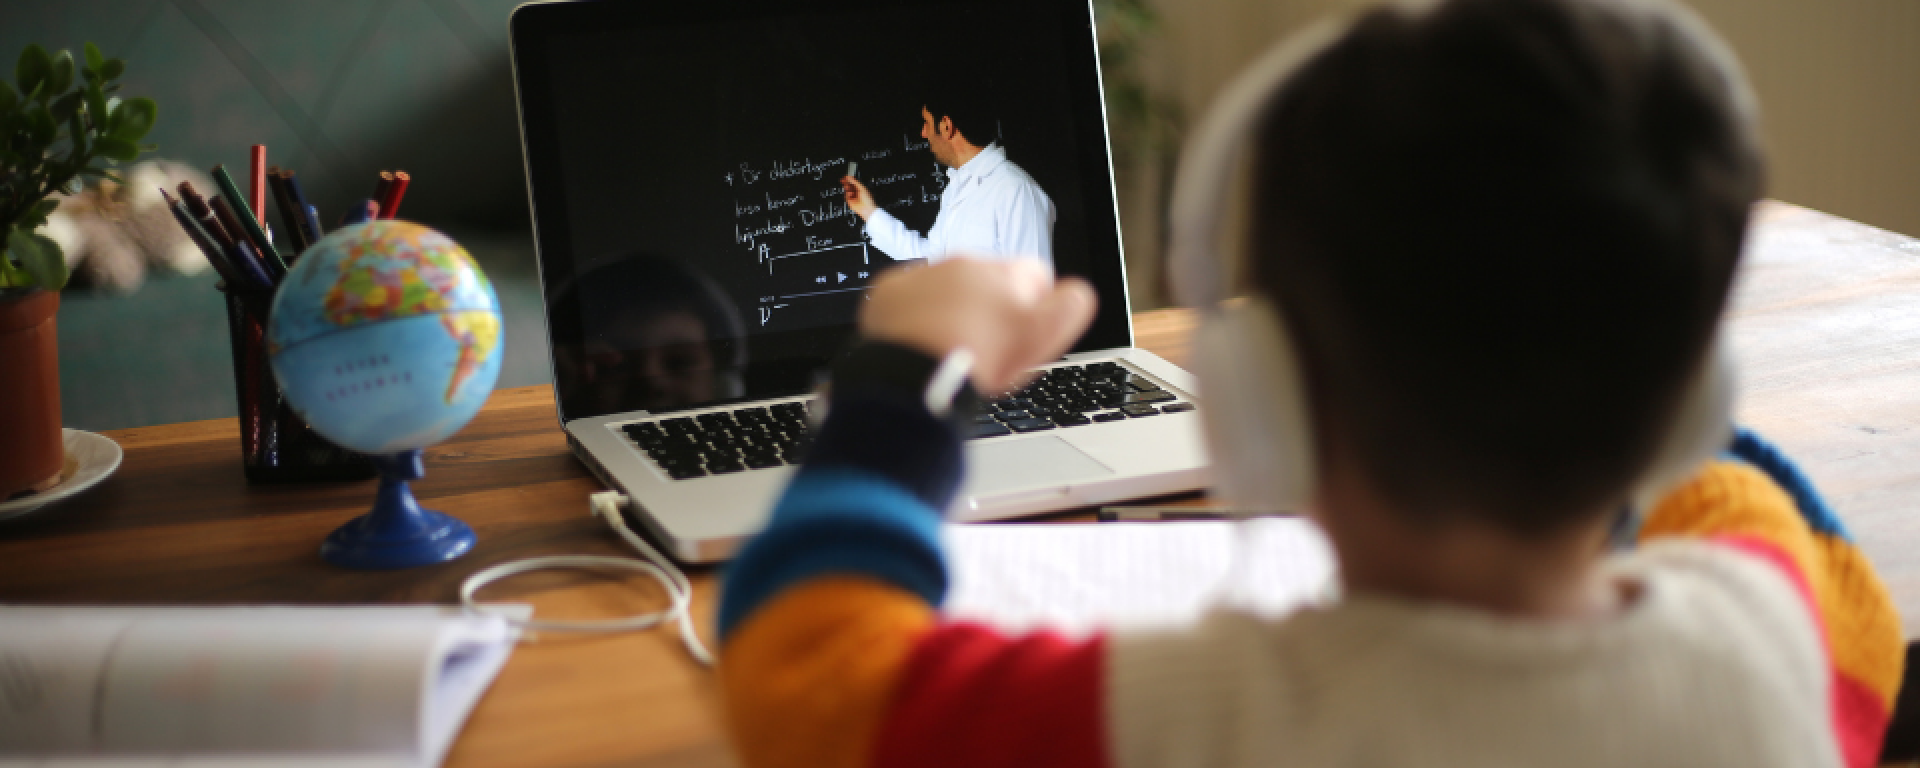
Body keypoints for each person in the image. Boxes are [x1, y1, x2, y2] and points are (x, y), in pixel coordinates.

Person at [717, 1, 1906, 766]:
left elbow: (802, 677)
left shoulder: (1219, 716)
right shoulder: (1776, 638)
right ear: (1688, 403)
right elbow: (1769, 526)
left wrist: (898, 384)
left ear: (1257, 406)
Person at [839, 75, 1056, 268]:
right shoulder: (956, 190)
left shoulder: (1015, 191)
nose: (923, 133)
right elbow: (930, 259)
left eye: (926, 122)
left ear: (946, 126)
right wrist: (869, 212)